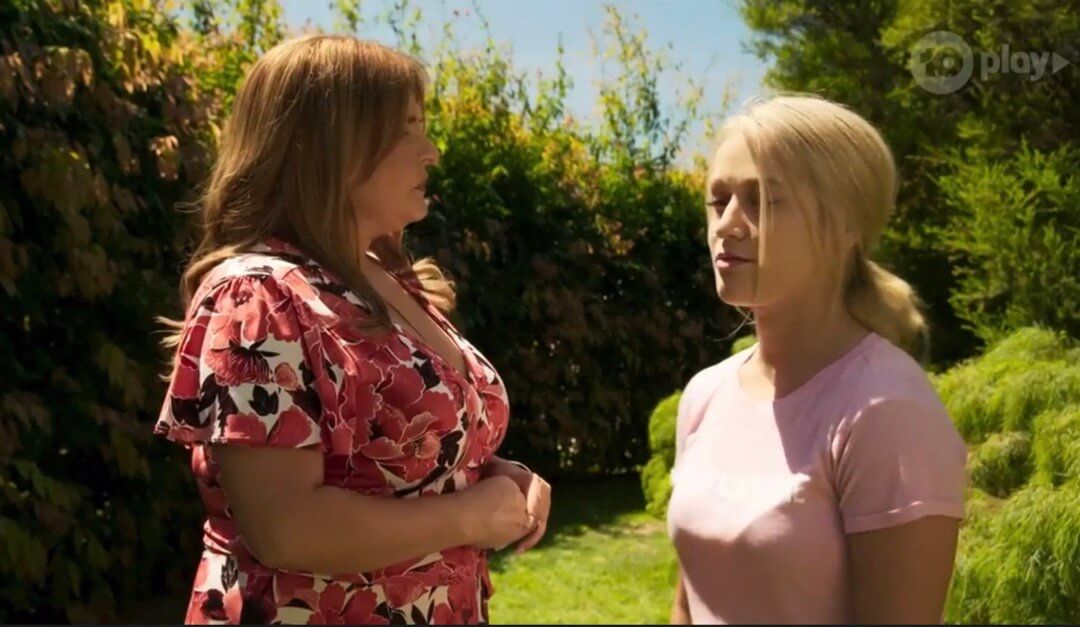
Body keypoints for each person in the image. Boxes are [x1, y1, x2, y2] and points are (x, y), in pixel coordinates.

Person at [154, 34, 551, 625]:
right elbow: (286, 529)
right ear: (332, 144)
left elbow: (394, 461)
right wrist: (469, 515)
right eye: (408, 128)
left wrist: (492, 475)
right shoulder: (259, 295)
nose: (431, 152)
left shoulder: (383, 279)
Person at [667, 94, 967, 624]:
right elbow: (691, 600)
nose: (727, 225)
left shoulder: (887, 412)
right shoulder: (705, 395)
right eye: (718, 201)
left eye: (763, 202)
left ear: (846, 223)